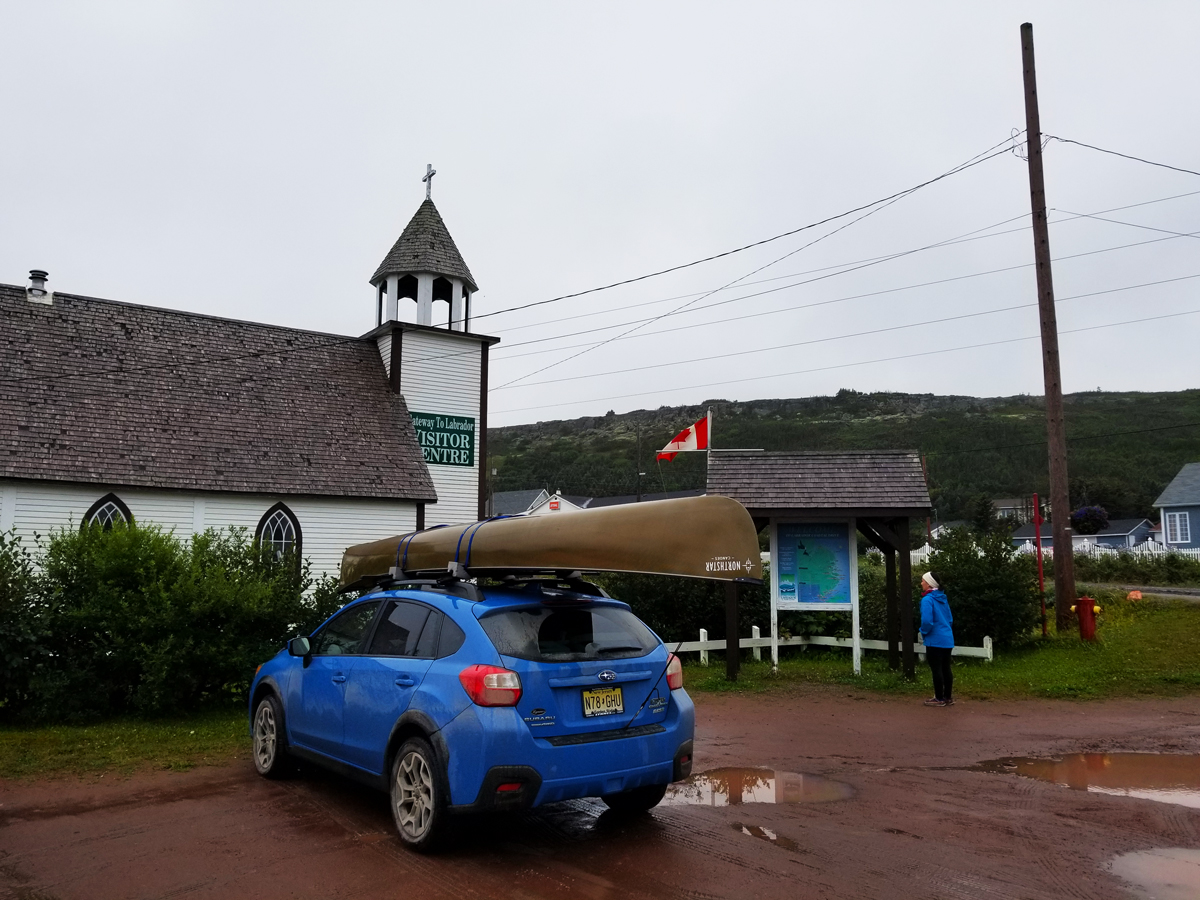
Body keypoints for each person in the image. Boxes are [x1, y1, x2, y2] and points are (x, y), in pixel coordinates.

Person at [919, 571, 955, 707]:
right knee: (946, 668)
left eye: (923, 580)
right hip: (947, 638)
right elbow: (950, 619)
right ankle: (947, 697)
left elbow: (927, 621)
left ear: (928, 584)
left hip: (934, 639)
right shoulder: (943, 598)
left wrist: (923, 632)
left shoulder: (927, 600)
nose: (921, 583)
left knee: (936, 669)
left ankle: (938, 698)